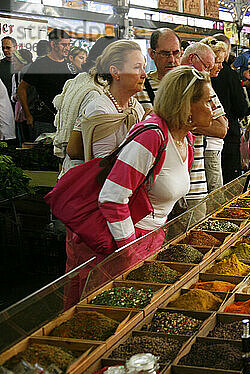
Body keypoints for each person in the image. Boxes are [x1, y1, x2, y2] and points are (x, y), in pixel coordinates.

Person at [65, 66, 211, 306]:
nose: (212, 108)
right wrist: (129, 252)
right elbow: (112, 197)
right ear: (186, 105)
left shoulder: (186, 138)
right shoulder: (152, 137)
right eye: (207, 101)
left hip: (150, 238)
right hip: (118, 243)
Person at [64, 40, 145, 168]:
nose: (144, 75)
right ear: (115, 72)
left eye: (143, 68)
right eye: (136, 68)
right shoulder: (99, 109)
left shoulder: (135, 107)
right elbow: (105, 166)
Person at [53, 36, 117, 169]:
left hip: (71, 166)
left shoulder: (80, 80)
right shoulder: (95, 93)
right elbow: (77, 149)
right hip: (84, 170)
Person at [181, 42, 228, 201]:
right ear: (192, 59)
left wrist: (189, 123)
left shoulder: (205, 84)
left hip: (198, 175)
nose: (217, 68)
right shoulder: (188, 85)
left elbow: (222, 128)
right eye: (207, 66)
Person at [18, 29, 75, 139]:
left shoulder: (69, 65)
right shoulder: (39, 65)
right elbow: (21, 89)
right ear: (53, 44)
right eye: (64, 45)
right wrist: (28, 114)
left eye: (68, 45)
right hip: (45, 120)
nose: (67, 48)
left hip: (66, 121)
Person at [211, 33, 250, 184]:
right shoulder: (230, 75)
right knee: (228, 183)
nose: (219, 67)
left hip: (208, 141)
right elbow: (241, 107)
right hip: (227, 136)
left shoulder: (201, 77)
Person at [135, 28, 182, 113]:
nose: (171, 59)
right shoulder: (140, 88)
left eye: (176, 53)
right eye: (165, 54)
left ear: (181, 52)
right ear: (152, 54)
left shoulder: (191, 83)